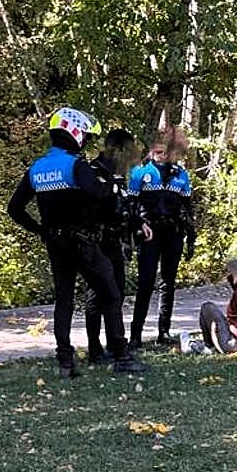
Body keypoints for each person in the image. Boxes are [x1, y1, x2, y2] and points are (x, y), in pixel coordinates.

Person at [8, 107, 147, 377]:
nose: (85, 140)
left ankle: (65, 361)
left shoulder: (37, 168)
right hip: (83, 242)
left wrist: (39, 230)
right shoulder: (75, 164)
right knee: (110, 292)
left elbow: (14, 209)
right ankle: (121, 356)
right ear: (73, 132)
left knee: (64, 300)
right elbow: (99, 195)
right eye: (83, 134)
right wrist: (112, 190)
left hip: (54, 243)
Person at [83, 128, 150, 365]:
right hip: (97, 243)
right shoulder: (92, 171)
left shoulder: (117, 176)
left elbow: (123, 207)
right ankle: (95, 349)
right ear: (118, 149)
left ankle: (114, 345)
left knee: (116, 294)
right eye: (129, 151)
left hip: (115, 243)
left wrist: (138, 222)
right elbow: (96, 208)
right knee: (97, 296)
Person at [128, 124, 195, 349]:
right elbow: (131, 206)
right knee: (145, 282)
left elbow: (187, 208)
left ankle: (163, 331)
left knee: (168, 282)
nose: (161, 153)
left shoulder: (181, 174)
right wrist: (134, 231)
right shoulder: (139, 173)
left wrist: (190, 236)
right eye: (157, 150)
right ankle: (135, 334)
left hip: (173, 234)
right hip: (149, 234)